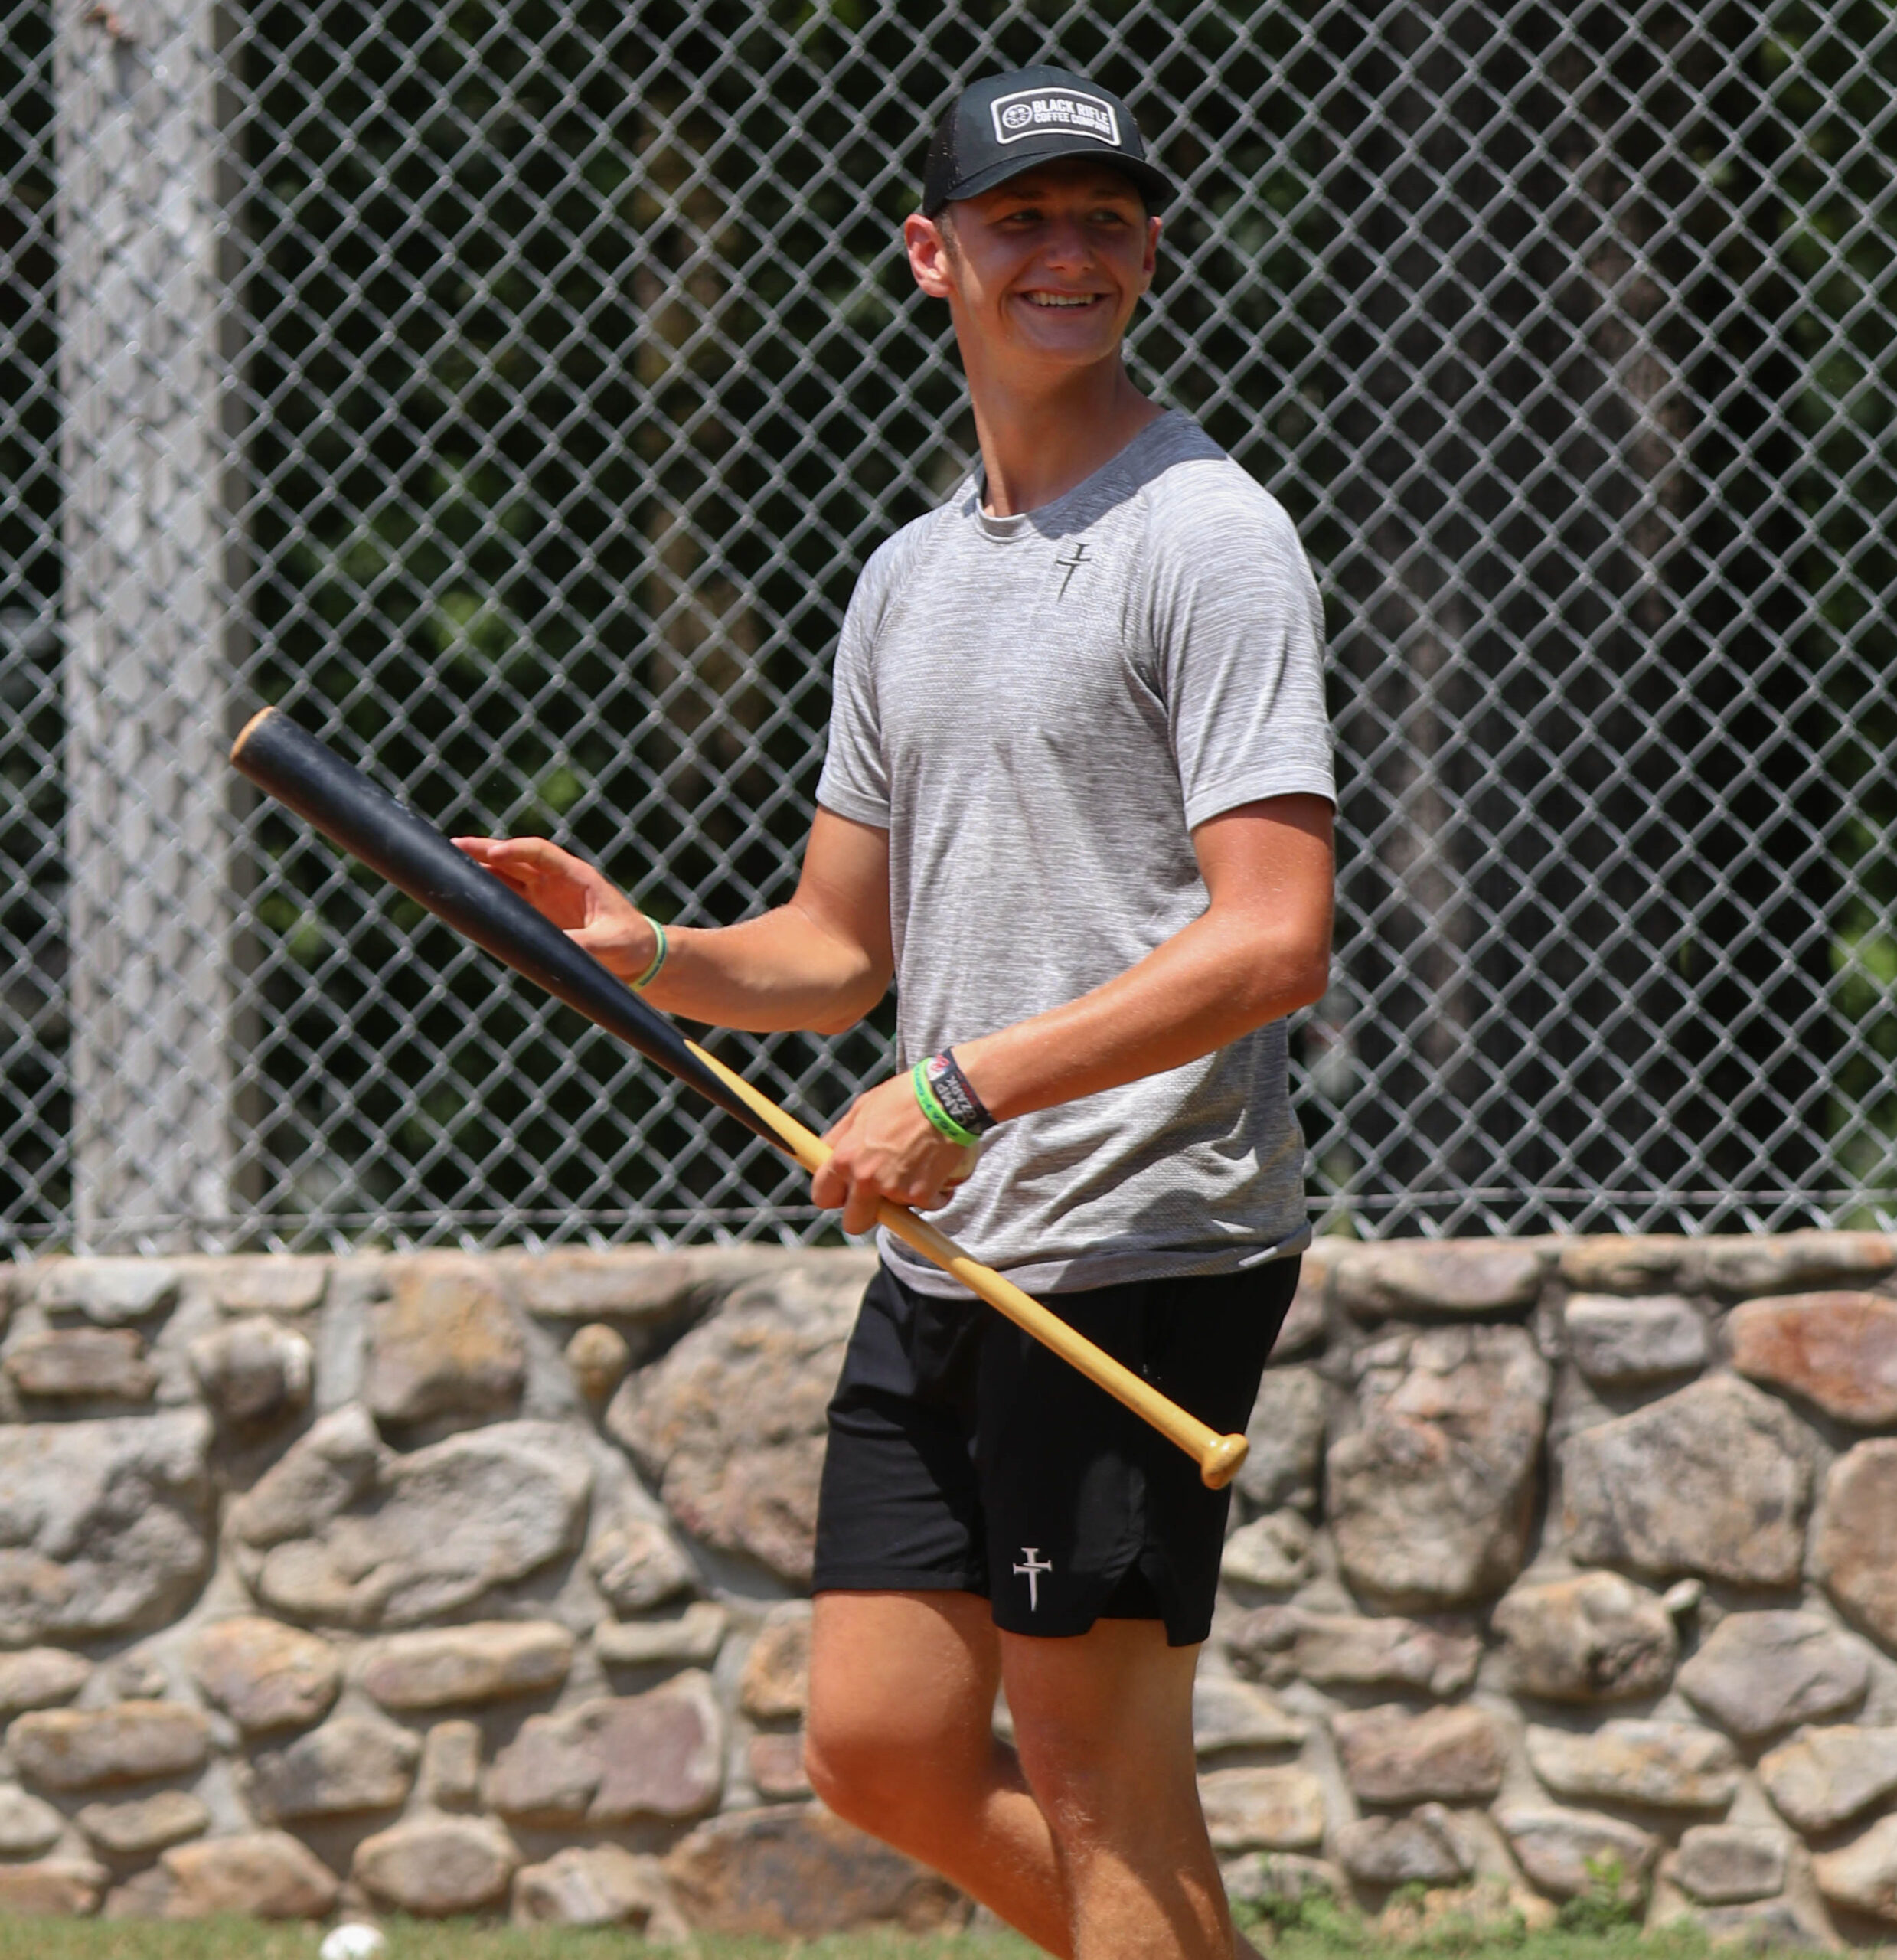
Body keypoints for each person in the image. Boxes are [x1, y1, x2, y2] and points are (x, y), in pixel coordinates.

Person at [458, 63, 1335, 1960]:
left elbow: (1272, 940)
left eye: (1104, 217)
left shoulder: (1205, 536)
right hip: (956, 1252)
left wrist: (957, 1090)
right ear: (932, 254)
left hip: (1134, 1243)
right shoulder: (906, 579)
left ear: (1149, 252)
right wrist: (648, 948)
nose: (1068, 253)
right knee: (880, 1749)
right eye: (1023, 219)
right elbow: (838, 947)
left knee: (1105, 1795)